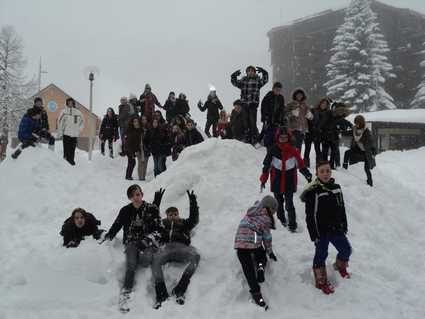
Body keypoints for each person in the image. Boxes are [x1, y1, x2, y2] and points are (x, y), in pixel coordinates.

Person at [101, 185, 165, 313]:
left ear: (142, 194)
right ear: (130, 197)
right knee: (131, 264)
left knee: (148, 260)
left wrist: (147, 240)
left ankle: (161, 295)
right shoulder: (125, 210)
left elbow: (160, 229)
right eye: (133, 195)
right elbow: (117, 225)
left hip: (148, 242)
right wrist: (108, 237)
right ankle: (126, 293)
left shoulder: (152, 209)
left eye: (138, 194)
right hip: (131, 243)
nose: (136, 197)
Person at [300, 160, 352, 294]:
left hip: (336, 228)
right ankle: (321, 281)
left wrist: (344, 224)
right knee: (321, 255)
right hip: (321, 231)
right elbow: (310, 216)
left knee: (346, 249)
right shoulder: (313, 191)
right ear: (316, 173)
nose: (325, 174)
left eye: (328, 170)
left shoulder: (336, 188)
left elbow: (342, 208)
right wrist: (314, 235)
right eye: (322, 171)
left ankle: (340, 266)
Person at [151, 190, 200, 308]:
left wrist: (193, 202)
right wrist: (157, 201)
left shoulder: (184, 223)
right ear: (166, 216)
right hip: (166, 249)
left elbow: (194, 219)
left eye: (175, 214)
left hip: (181, 249)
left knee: (196, 257)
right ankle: (161, 294)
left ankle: (180, 289)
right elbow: (153, 218)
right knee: (155, 260)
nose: (173, 216)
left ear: (178, 214)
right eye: (170, 214)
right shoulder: (162, 224)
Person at [260, 127, 312, 232]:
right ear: (277, 138)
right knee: (278, 204)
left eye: (285, 137)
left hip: (289, 181)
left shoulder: (293, 151)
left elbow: (301, 165)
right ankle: (281, 221)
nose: (283, 139)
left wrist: (307, 175)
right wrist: (263, 179)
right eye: (281, 137)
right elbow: (266, 166)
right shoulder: (273, 150)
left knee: (289, 204)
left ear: (288, 138)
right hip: (276, 181)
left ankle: (292, 224)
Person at [234, 195, 278, 310]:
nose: (274, 214)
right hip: (253, 244)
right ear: (270, 208)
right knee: (261, 254)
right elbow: (267, 238)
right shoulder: (266, 218)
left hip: (240, 245)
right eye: (274, 211)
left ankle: (257, 295)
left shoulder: (251, 212)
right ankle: (260, 266)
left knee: (248, 270)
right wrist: (270, 252)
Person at [231, 65, 268, 144]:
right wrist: (234, 76)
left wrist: (264, 72)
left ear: (255, 73)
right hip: (244, 104)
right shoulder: (243, 81)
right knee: (245, 121)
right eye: (249, 71)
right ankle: (247, 136)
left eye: (252, 71)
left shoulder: (258, 81)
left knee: (252, 121)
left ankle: (254, 137)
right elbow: (235, 83)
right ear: (247, 73)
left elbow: (265, 80)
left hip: (253, 104)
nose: (250, 72)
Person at [343, 115, 376, 186]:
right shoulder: (354, 130)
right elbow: (347, 133)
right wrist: (340, 132)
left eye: (358, 123)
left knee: (366, 169)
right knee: (347, 153)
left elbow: (371, 143)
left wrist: (373, 152)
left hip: (366, 153)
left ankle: (370, 183)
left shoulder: (366, 132)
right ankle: (344, 170)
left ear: (361, 123)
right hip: (358, 151)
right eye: (355, 123)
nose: (356, 125)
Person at [57, 98, 84, 165]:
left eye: (71, 102)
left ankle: (71, 161)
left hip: (74, 134)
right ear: (67, 103)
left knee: (72, 149)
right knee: (66, 149)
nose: (70, 104)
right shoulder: (64, 112)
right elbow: (60, 122)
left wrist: (79, 130)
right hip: (66, 134)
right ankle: (65, 161)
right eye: (69, 103)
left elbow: (82, 122)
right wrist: (60, 131)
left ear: (73, 103)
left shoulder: (78, 112)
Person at [260, 82, 286, 150]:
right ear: (273, 89)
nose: (278, 91)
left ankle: (273, 148)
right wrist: (265, 118)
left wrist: (281, 119)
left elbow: (282, 109)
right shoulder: (268, 96)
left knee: (275, 135)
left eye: (279, 90)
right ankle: (265, 146)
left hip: (277, 121)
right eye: (276, 89)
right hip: (268, 120)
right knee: (267, 134)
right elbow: (263, 108)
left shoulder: (281, 98)